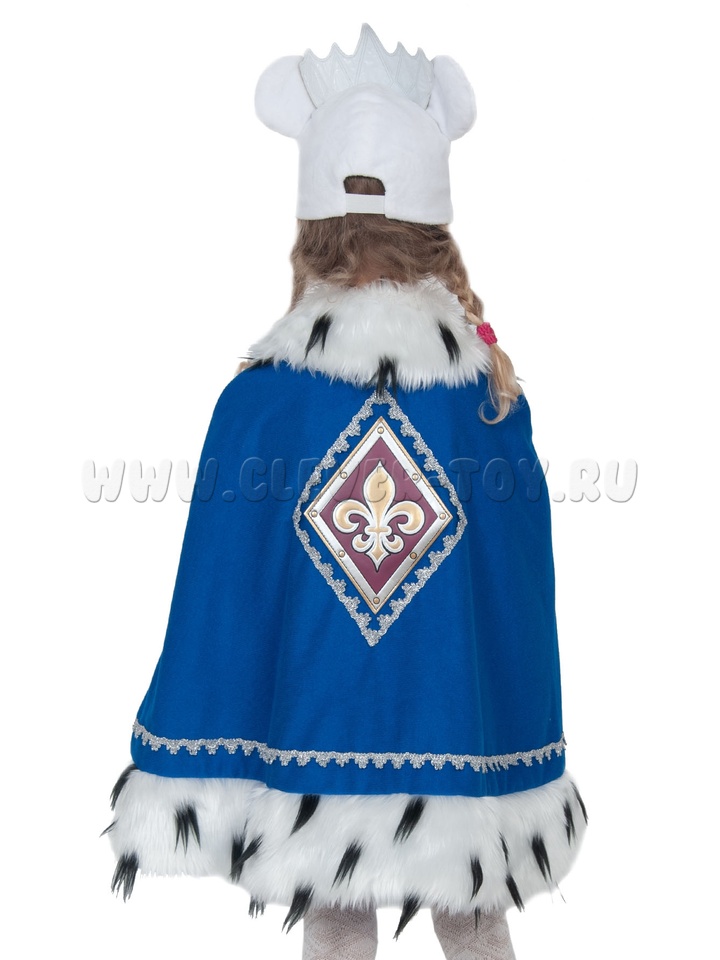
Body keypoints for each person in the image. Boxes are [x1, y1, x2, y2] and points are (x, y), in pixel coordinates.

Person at [105, 25, 586, 960]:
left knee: (331, 909)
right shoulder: (484, 399)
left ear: (311, 230)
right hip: (458, 731)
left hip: (310, 728)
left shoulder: (263, 402)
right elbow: (518, 602)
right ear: (434, 231)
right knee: (473, 914)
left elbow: (222, 592)